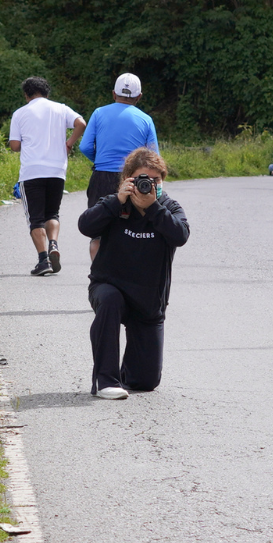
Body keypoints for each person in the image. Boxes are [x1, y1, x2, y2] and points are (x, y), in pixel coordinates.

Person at [78, 147, 189, 400]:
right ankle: (106, 380)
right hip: (109, 287)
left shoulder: (168, 207)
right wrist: (117, 201)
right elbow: (85, 225)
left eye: (155, 180)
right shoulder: (114, 204)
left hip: (147, 303)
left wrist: (153, 208)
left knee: (144, 382)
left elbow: (180, 236)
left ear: (162, 181)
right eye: (142, 178)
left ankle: (126, 373)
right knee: (110, 300)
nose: (148, 184)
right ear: (128, 179)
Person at [9, 76, 86, 276]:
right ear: (47, 92)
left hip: (32, 172)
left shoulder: (20, 114)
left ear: (26, 95)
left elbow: (15, 145)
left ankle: (43, 261)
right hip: (57, 171)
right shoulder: (61, 108)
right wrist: (69, 143)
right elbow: (81, 123)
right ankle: (53, 243)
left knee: (35, 219)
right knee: (52, 214)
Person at [79, 73, 159, 260]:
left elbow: (84, 146)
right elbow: (153, 157)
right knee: (133, 230)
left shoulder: (99, 113)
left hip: (102, 177)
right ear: (139, 97)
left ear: (114, 94)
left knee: (98, 232)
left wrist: (100, 160)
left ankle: (98, 278)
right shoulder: (145, 119)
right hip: (134, 180)